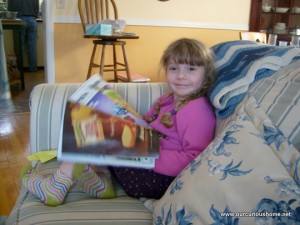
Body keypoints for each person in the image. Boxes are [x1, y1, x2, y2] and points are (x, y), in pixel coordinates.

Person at [21, 38, 216, 206]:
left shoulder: (197, 109)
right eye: (174, 68)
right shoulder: (166, 100)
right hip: (144, 165)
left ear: (205, 74)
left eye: (191, 69)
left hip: (158, 179)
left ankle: (56, 186)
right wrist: (125, 120)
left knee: (93, 132)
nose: (181, 75)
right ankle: (101, 181)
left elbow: (194, 158)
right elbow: (147, 126)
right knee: (97, 122)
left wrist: (147, 155)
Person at [8, 0, 39, 72]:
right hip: (32, 19)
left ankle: (19, 68)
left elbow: (10, 9)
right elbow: (37, 8)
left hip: (18, 19)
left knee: (19, 46)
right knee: (32, 46)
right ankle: (33, 67)